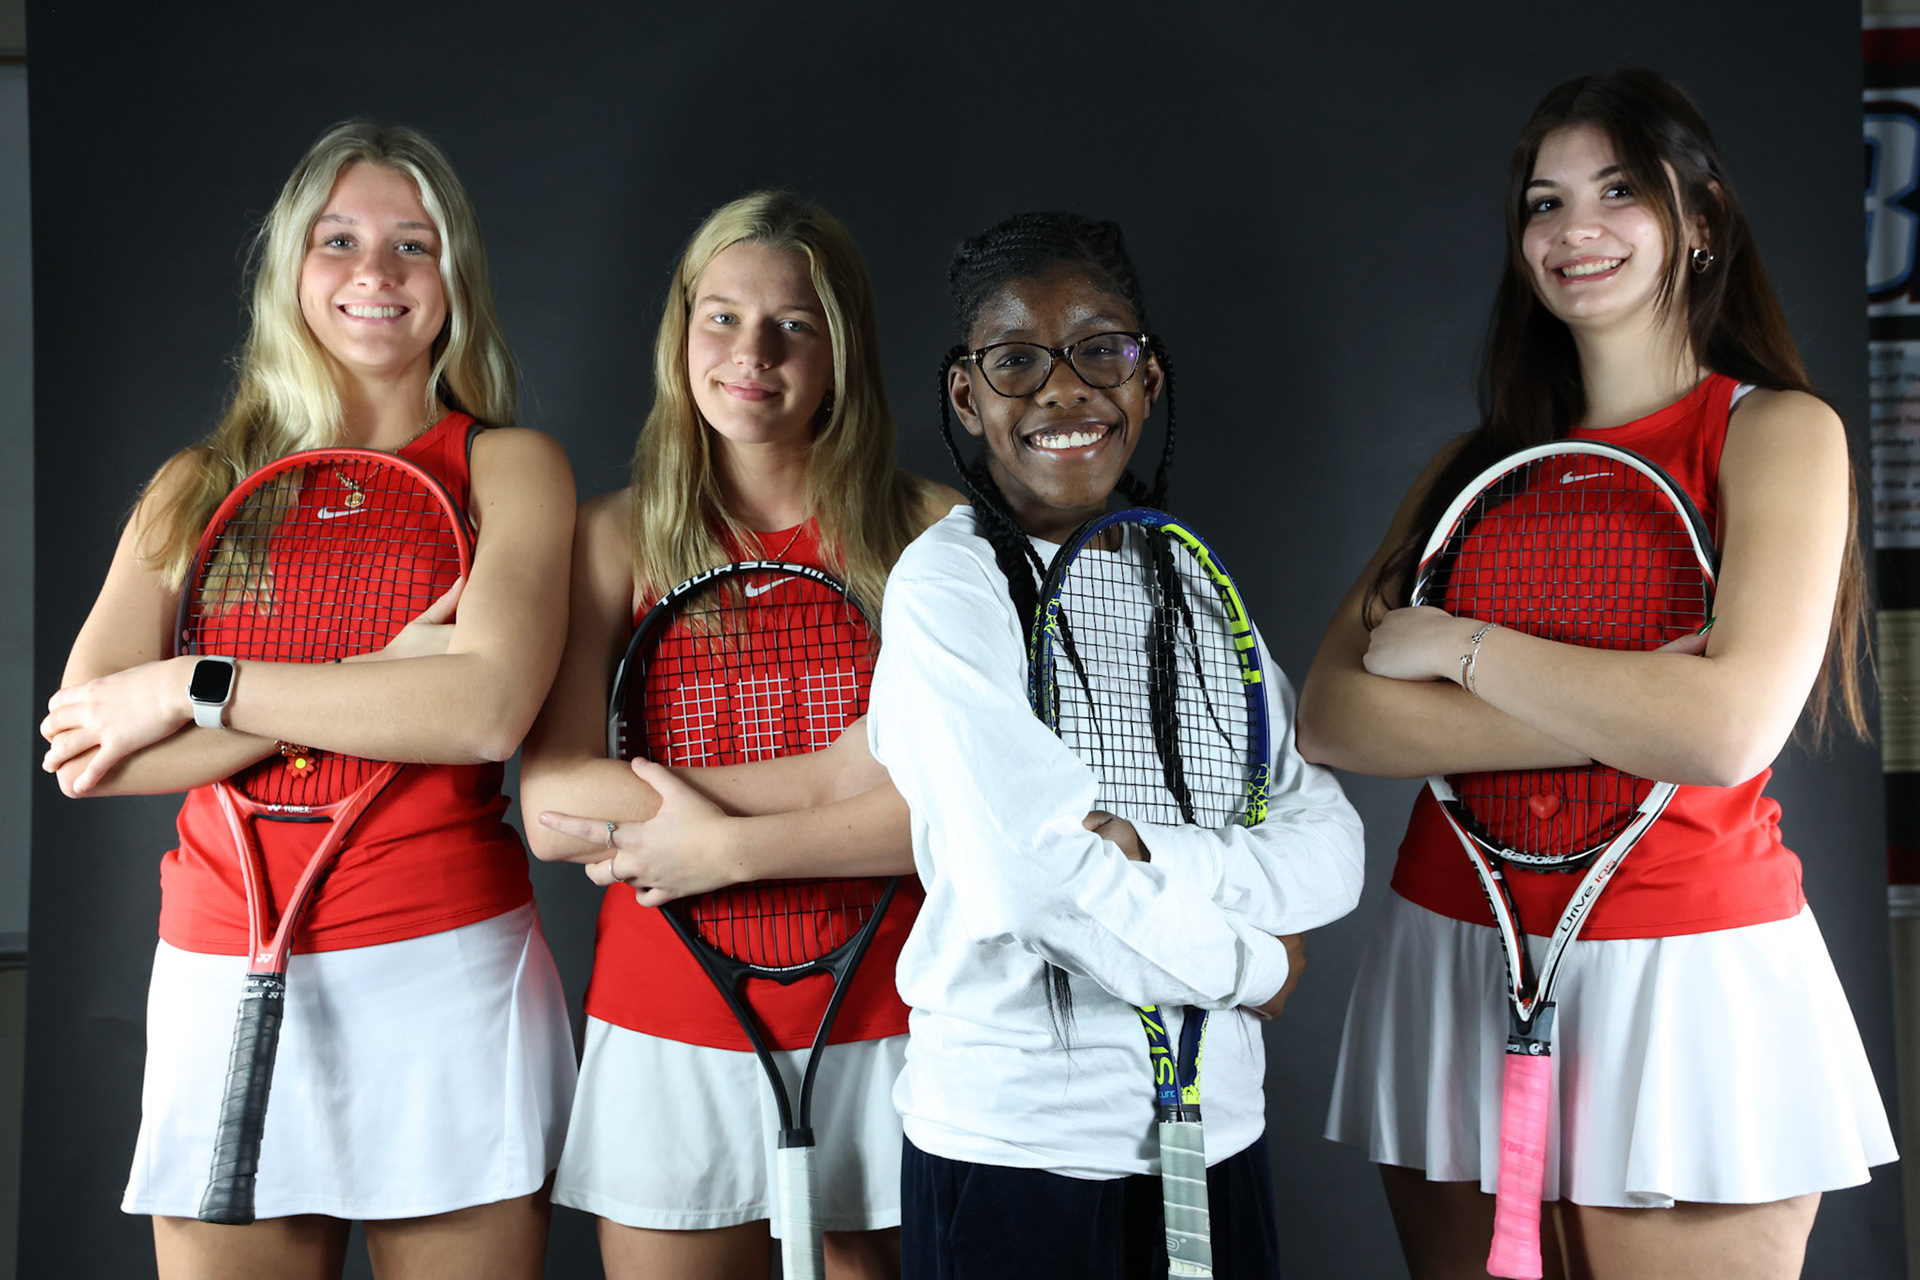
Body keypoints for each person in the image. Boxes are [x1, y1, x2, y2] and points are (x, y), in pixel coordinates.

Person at [1300, 68, 1896, 1280]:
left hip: (1690, 970)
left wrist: (1466, 655)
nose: (1575, 229)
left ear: (1702, 220)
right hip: (1451, 950)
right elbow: (1334, 714)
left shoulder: (1780, 434)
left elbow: (1727, 731)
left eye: (1619, 190)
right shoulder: (1473, 467)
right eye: (1542, 202)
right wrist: (1635, 709)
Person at [38, 123, 576, 1279]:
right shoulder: (196, 485)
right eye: (340, 241)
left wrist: (192, 687)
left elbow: (482, 712)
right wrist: (388, 677)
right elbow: (91, 745)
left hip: (448, 967)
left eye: (412, 245)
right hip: (216, 962)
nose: (375, 274)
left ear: (454, 280)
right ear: (292, 266)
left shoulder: (511, 468)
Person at [857, 211, 1363, 1278]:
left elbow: (1333, 846)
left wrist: (1148, 850)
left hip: (1217, 1130)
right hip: (1016, 1151)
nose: (1062, 388)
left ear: (1148, 378)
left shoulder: (1182, 580)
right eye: (1016, 360)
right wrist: (1251, 961)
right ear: (967, 394)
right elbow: (1029, 881)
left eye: (1101, 349)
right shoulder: (949, 589)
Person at [518, 190, 960, 1280]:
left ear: (840, 350)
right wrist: (842, 784)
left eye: (793, 326)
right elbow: (554, 803)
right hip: (670, 1022)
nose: (752, 353)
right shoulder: (613, 536)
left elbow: (955, 814)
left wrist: (716, 844)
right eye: (722, 316)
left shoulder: (936, 535)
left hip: (897, 1019)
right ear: (680, 334)